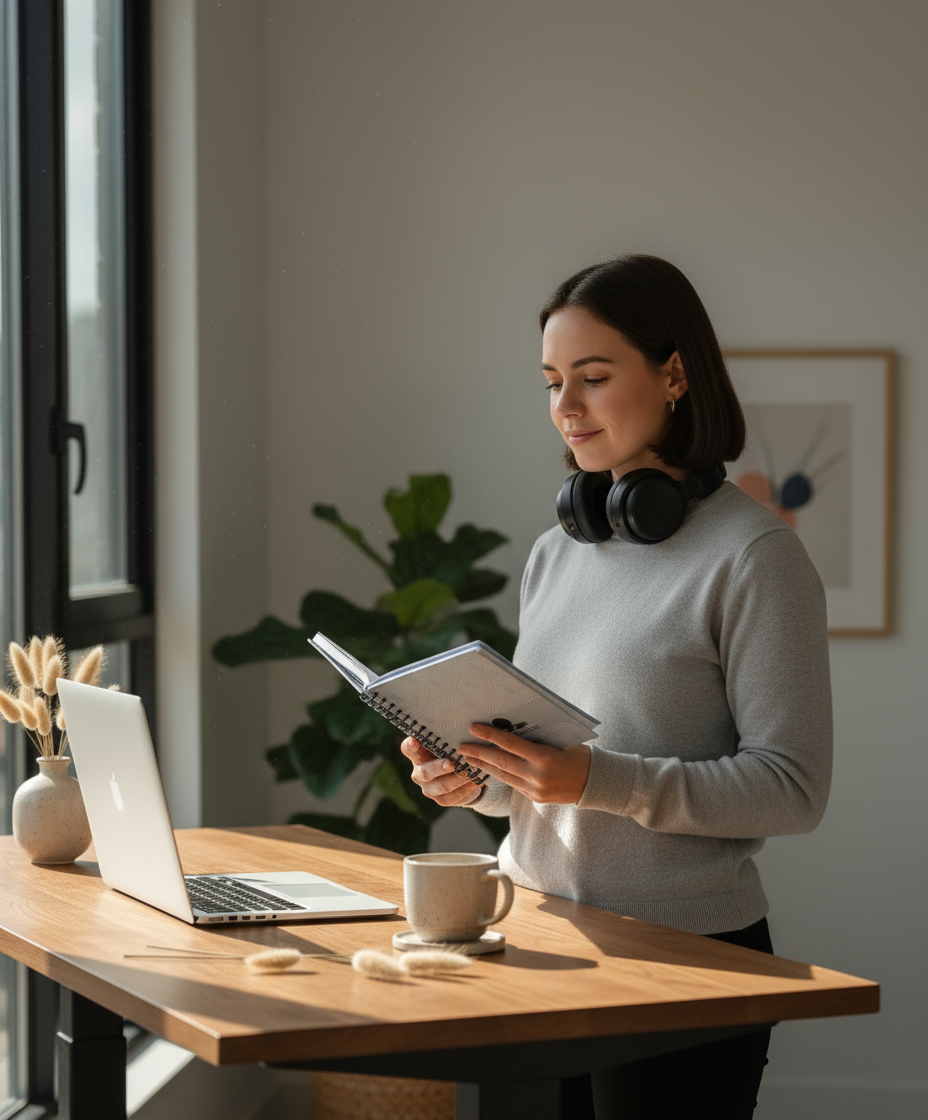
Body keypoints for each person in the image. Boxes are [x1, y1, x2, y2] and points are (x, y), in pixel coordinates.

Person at [401, 254, 832, 1119]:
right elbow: (542, 769)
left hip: (684, 961)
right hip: (528, 939)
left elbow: (793, 790)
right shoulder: (556, 553)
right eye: (554, 381)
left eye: (594, 378)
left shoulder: (755, 558)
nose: (566, 406)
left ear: (674, 374)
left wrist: (602, 781)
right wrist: (474, 774)